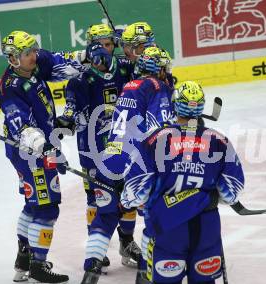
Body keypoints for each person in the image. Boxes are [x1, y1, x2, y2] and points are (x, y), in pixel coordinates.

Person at [120, 81, 245, 284]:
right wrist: (206, 195)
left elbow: (137, 192)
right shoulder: (219, 140)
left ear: (175, 105)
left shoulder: (155, 139)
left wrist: (127, 201)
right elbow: (232, 192)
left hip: (167, 225)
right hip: (207, 227)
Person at [0, 30, 87, 283]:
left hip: (42, 148)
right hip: (29, 154)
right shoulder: (9, 90)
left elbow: (58, 60)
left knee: (33, 203)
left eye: (33, 50)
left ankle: (23, 258)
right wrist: (45, 147)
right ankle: (38, 264)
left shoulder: (33, 64)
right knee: (47, 207)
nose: (34, 56)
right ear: (13, 59)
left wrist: (86, 56)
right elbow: (22, 126)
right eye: (27, 53)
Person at [80, 46, 176, 284]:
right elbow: (160, 129)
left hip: (110, 158)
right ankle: (146, 271)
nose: (167, 72)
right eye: (164, 67)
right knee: (156, 213)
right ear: (158, 69)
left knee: (105, 217)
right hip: (136, 162)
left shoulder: (128, 86)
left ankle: (91, 269)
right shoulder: (157, 87)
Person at [55, 23, 140, 273]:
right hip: (92, 152)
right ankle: (98, 247)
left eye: (109, 44)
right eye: (100, 45)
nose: (104, 49)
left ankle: (126, 242)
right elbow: (71, 109)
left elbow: (148, 76)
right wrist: (65, 122)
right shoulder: (80, 80)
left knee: (130, 197)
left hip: (125, 148)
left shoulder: (126, 69)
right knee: (97, 200)